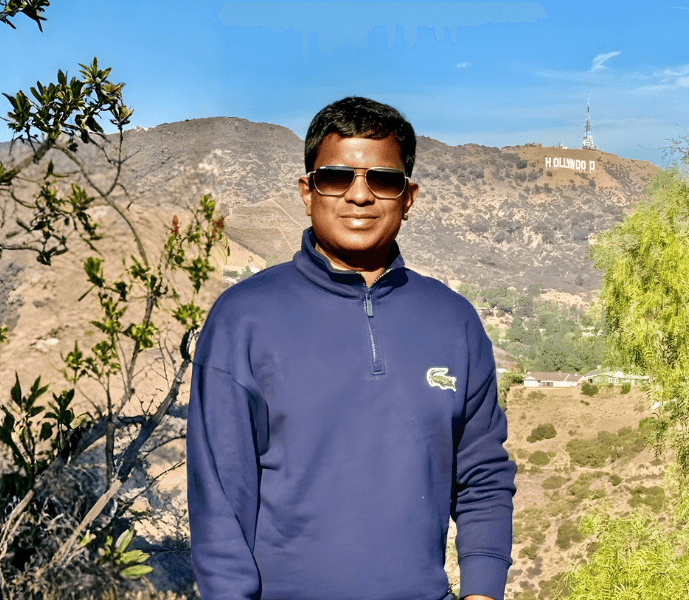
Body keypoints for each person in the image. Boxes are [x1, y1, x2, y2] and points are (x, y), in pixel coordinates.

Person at [187, 96, 516, 600]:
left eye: (382, 180)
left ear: (408, 197)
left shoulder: (454, 321)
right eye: (336, 177)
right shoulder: (244, 318)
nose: (359, 196)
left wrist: (483, 591)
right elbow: (219, 501)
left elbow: (483, 475)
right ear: (307, 190)